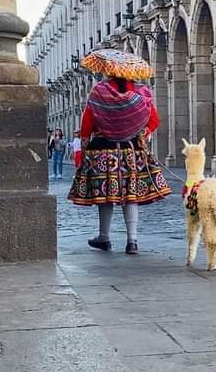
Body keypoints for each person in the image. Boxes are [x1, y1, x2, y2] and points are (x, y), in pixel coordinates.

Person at [68, 75, 170, 254]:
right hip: (130, 150)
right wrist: (141, 133)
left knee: (105, 194)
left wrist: (84, 151)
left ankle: (104, 237)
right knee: (131, 195)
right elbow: (153, 120)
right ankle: (132, 240)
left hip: (102, 150)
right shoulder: (140, 92)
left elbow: (87, 125)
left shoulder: (99, 91)